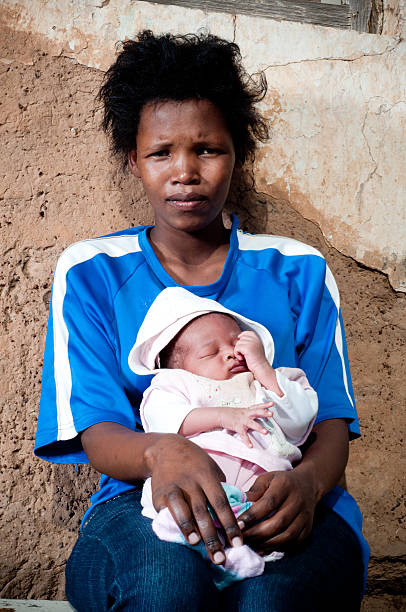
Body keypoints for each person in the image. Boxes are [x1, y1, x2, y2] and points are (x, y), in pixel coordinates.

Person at [34, 30, 369, 611]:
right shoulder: (91, 272)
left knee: (274, 600)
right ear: (134, 160)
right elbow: (96, 430)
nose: (184, 171)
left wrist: (308, 487)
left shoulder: (297, 269)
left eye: (208, 150)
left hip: (284, 493)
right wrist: (160, 452)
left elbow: (332, 421)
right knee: (165, 589)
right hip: (141, 505)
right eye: (161, 152)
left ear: (236, 154)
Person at [128, 286, 318, 588]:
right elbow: (162, 420)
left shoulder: (269, 381)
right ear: (178, 367)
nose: (230, 353)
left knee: (258, 525)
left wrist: (263, 370)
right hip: (204, 479)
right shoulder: (177, 384)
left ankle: (242, 557)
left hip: (260, 485)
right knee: (187, 509)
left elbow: (300, 421)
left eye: (236, 342)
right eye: (210, 352)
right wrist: (223, 416)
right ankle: (186, 538)